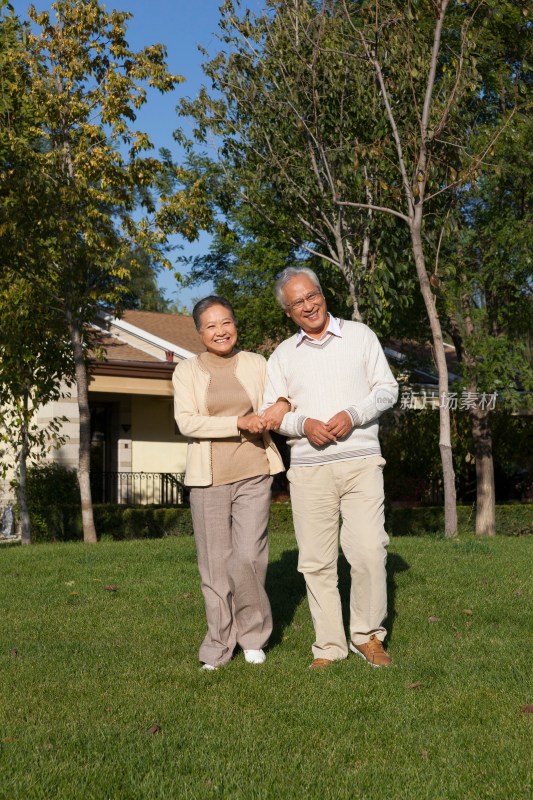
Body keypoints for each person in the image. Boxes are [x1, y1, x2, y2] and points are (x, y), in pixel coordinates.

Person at [262, 267, 399, 670]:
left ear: (323, 294)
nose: (308, 306)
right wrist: (302, 424)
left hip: (360, 462)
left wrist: (353, 414)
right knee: (316, 561)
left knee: (370, 550)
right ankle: (329, 646)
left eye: (312, 296)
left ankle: (368, 637)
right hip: (308, 469)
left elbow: (387, 389)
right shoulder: (283, 355)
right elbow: (273, 413)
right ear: (288, 312)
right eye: (297, 303)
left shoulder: (360, 336)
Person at [173, 296, 287, 671]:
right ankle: (219, 645)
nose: (220, 331)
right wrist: (238, 422)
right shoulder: (186, 371)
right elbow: (187, 423)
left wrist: (280, 406)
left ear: (235, 325)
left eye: (226, 322)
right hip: (209, 480)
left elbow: (279, 398)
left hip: (254, 471)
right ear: (199, 332)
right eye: (210, 325)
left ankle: (252, 636)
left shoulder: (256, 363)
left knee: (250, 556)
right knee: (214, 564)